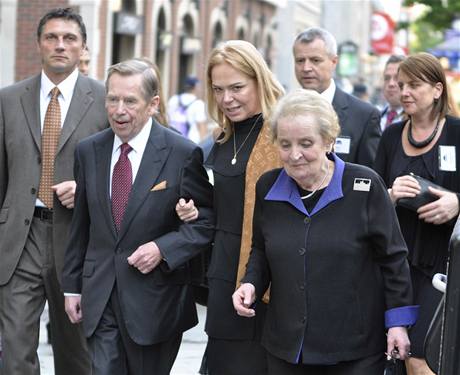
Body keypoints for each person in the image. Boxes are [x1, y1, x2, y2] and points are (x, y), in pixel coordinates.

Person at [233, 88, 418, 375]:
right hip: (287, 348)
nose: (295, 155)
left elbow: (393, 258)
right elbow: (261, 249)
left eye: (306, 143)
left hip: (355, 349)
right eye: (285, 144)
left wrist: (398, 323)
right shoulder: (268, 186)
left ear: (329, 141)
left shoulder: (365, 185)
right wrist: (250, 283)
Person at [61, 59, 214, 375]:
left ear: (152, 104)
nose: (119, 110)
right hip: (99, 293)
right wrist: (72, 286)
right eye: (112, 99)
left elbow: (205, 220)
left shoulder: (182, 153)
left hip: (156, 300)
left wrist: (162, 249)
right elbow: (81, 225)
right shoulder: (88, 151)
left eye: (130, 101)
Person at [0, 7, 107, 375]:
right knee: (13, 356)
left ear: (83, 47)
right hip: (20, 242)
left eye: (70, 38)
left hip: (79, 241)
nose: (60, 45)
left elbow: (124, 172)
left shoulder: (107, 100)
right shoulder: (8, 99)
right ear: (39, 44)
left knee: (77, 356)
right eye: (52, 37)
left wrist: (89, 189)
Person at [177, 40, 284, 375]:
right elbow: (216, 207)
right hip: (225, 276)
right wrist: (195, 213)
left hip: (274, 276)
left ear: (259, 80)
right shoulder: (219, 140)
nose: (227, 99)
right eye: (218, 89)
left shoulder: (283, 134)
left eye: (237, 87)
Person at [374, 52, 460, 375]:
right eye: (401, 84)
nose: (404, 91)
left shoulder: (456, 133)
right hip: (395, 263)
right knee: (395, 355)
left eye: (414, 85)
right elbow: (371, 196)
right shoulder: (391, 135)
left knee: (423, 356)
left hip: (443, 268)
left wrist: (457, 203)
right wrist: (392, 195)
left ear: (437, 89)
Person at [293, 27, 381, 168]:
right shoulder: (282, 112)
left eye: (315, 60)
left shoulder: (364, 116)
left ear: (334, 62)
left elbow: (369, 178)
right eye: (300, 60)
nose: (306, 68)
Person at [167, 76, 208, 143]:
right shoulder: (198, 104)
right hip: (191, 143)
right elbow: (201, 126)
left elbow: (167, 120)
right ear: (196, 87)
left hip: (172, 140)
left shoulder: (173, 99)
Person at [380, 55, 406, 132]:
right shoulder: (375, 117)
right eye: (387, 78)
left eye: (397, 78)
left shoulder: (416, 121)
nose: (391, 84)